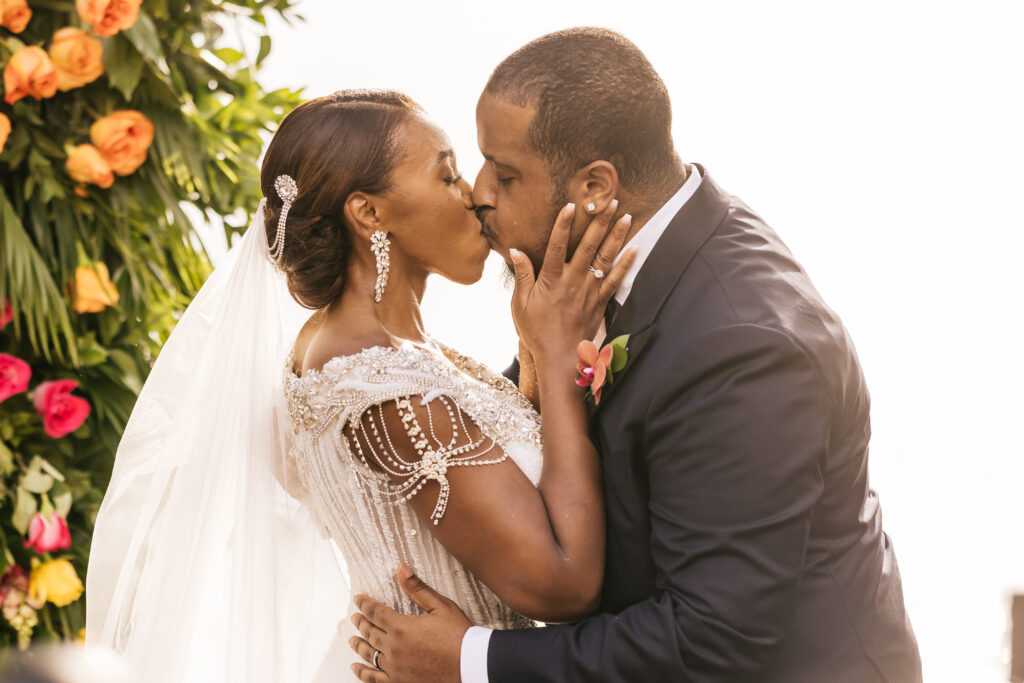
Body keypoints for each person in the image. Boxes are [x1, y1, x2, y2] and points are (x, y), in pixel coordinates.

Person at [349, 28, 923, 683]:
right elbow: (521, 448)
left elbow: (713, 638)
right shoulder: (605, 273)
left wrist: (470, 659)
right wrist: (540, 354)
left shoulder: (743, 346)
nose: (479, 192)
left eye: (505, 173)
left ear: (596, 185)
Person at [85, 89, 635, 682]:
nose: (475, 195)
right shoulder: (379, 387)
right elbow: (565, 584)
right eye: (447, 176)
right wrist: (557, 361)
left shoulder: (372, 355)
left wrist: (534, 348)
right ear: (368, 213)